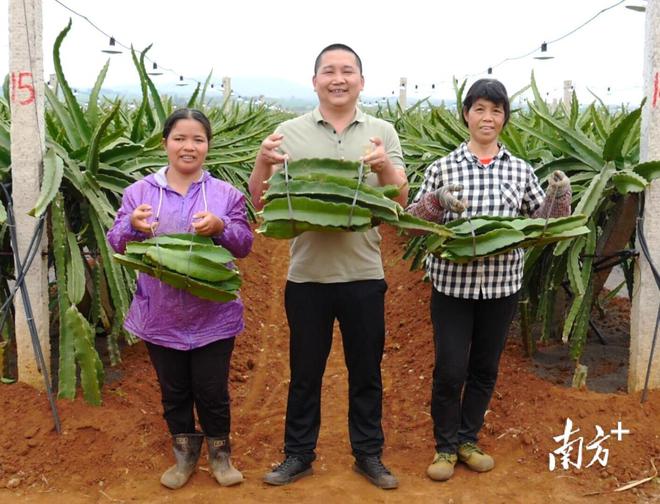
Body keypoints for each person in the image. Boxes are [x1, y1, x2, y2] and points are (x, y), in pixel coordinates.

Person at [248, 43, 408, 490]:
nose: (338, 78)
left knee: (366, 372)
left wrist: (388, 169)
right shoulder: (288, 132)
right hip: (307, 277)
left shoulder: (382, 131)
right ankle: (298, 454)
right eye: (329, 71)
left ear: (361, 80)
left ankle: (368, 454)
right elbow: (262, 201)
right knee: (304, 373)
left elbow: (400, 202)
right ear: (315, 80)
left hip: (364, 274)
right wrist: (262, 161)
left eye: (348, 71)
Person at [406, 79, 572, 482]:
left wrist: (560, 192)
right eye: (480, 108)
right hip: (452, 287)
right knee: (449, 369)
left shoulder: (519, 170)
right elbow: (412, 223)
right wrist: (437, 201)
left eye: (496, 111)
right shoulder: (442, 167)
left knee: (484, 368)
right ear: (467, 114)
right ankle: (444, 448)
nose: (488, 117)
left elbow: (545, 223)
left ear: (504, 119)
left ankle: (468, 439)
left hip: (501, 287)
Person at [107, 108, 253, 490]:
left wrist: (221, 227)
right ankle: (184, 454)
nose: (189, 147)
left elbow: (244, 245)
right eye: (180, 138)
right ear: (165, 143)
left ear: (208, 146)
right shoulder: (139, 192)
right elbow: (115, 241)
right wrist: (131, 225)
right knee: (174, 391)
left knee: (211, 390)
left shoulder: (225, 194)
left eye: (198, 139)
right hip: (160, 313)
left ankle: (221, 455)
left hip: (214, 314)